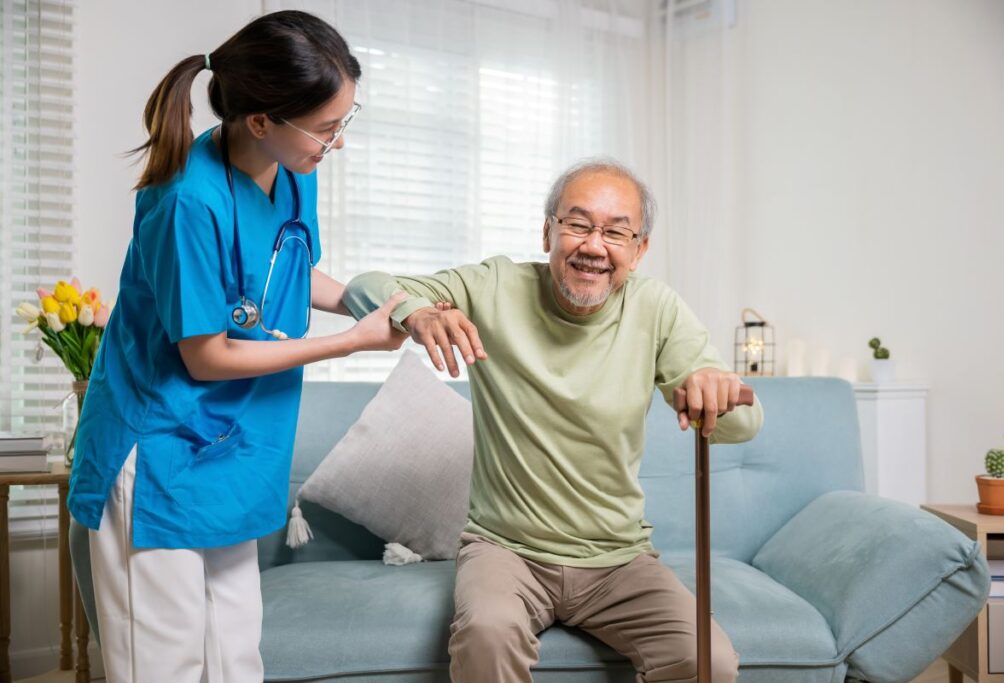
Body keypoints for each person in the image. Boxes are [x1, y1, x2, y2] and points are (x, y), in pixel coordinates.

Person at [65, 11, 453, 682]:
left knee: (237, 661)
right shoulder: (188, 198)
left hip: (233, 452)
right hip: (161, 453)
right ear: (262, 120)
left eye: (343, 122)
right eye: (327, 127)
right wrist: (349, 345)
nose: (336, 142)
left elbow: (286, 276)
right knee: (168, 665)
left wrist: (381, 306)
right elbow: (205, 354)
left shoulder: (295, 169)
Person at [341, 158, 765, 683]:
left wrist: (715, 391)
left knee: (710, 662)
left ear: (640, 249)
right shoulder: (495, 286)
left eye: (615, 231)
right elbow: (364, 287)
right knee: (486, 636)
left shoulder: (656, 309)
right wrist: (421, 314)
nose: (594, 245)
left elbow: (743, 426)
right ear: (548, 232)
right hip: (506, 551)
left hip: (619, 558)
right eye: (578, 224)